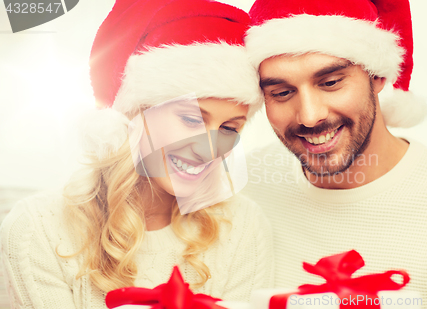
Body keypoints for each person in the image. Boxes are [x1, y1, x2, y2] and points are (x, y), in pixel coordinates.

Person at [0, 0, 274, 308]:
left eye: (228, 129)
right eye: (191, 118)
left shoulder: (242, 225)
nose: (210, 149)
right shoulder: (37, 227)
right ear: (133, 116)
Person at [241, 0, 427, 308]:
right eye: (282, 93)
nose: (309, 116)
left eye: (331, 83)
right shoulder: (241, 190)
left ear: (377, 75)